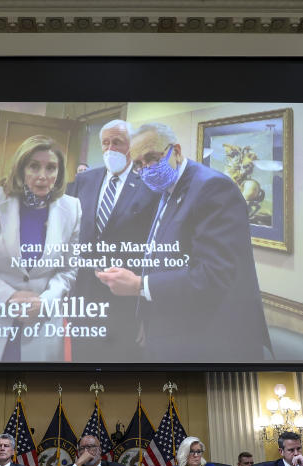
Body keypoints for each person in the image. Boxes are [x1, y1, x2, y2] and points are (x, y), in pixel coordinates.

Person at [95, 122, 270, 362]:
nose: (147, 168)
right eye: (139, 164)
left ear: (176, 151)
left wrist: (138, 285)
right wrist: (147, 317)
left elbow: (212, 274)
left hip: (211, 341)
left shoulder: (212, 187)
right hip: (170, 327)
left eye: (152, 158)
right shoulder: (166, 188)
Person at [0, 135, 82, 362]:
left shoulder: (72, 207)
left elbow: (68, 270)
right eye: (34, 166)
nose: (42, 176)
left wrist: (45, 301)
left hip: (40, 321)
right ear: (21, 169)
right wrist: (9, 297)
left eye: (51, 168)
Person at [66, 119, 158, 361]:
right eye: (105, 143)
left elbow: (155, 250)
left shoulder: (149, 185)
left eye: (117, 143)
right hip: (83, 293)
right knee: (81, 359)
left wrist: (145, 312)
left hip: (124, 298)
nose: (110, 149)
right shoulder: (85, 181)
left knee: (120, 364)